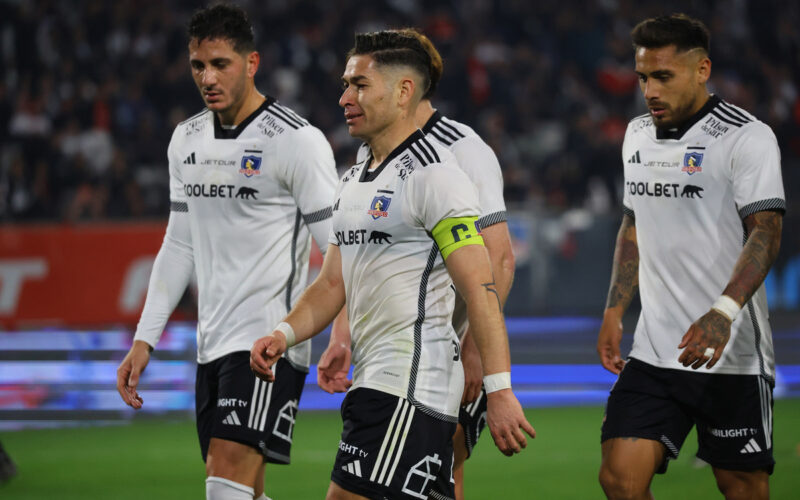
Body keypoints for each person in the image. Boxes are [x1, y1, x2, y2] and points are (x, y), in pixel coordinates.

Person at [251, 30, 534, 500]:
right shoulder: (353, 179)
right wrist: (282, 335)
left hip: (408, 387)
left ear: (403, 92)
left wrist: (498, 388)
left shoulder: (436, 176)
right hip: (376, 383)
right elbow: (332, 283)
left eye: (360, 85)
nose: (345, 97)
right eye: (346, 84)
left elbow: (481, 287)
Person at [115, 5, 342, 500]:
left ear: (252, 62)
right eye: (198, 65)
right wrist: (144, 339)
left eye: (221, 63)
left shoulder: (297, 142)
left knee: (223, 488)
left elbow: (341, 252)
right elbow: (179, 244)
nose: (207, 77)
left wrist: (341, 332)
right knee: (243, 492)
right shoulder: (186, 139)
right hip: (211, 344)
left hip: (267, 343)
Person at [596, 14, 784, 500]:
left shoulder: (746, 137)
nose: (649, 91)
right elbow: (632, 225)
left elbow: (766, 231)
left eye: (663, 77)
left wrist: (722, 314)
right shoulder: (636, 134)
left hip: (730, 355)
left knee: (741, 486)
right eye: (642, 77)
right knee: (619, 478)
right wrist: (615, 310)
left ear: (702, 70)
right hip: (656, 350)